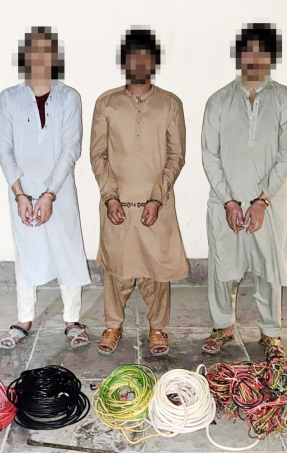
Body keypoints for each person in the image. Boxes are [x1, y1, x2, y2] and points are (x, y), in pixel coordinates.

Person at [201, 23, 287, 359]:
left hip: (268, 203)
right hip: (224, 201)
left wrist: (261, 201)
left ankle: (270, 333)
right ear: (239, 55)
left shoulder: (286, 99)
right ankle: (222, 326)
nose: (255, 58)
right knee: (222, 267)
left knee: (268, 270)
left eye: (262, 52)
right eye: (249, 51)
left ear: (271, 57)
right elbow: (209, 155)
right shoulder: (218, 101)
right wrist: (229, 201)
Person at [90, 28, 188, 357]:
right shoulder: (107, 103)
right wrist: (110, 197)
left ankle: (157, 328)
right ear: (125, 62)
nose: (140, 63)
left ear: (154, 62)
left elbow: (176, 155)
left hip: (157, 203)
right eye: (133, 57)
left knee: (156, 270)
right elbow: (98, 155)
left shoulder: (170, 103)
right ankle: (113, 324)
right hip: (117, 202)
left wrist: (157, 197)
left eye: (146, 57)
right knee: (116, 268)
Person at [0, 26, 91, 350]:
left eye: (45, 53)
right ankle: (24, 319)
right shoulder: (9, 98)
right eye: (33, 53)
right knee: (26, 252)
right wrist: (20, 194)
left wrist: (50, 194)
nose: (39, 60)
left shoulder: (69, 97)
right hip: (22, 190)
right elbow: (3, 149)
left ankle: (72, 320)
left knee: (68, 250)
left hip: (59, 189)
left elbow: (71, 148)